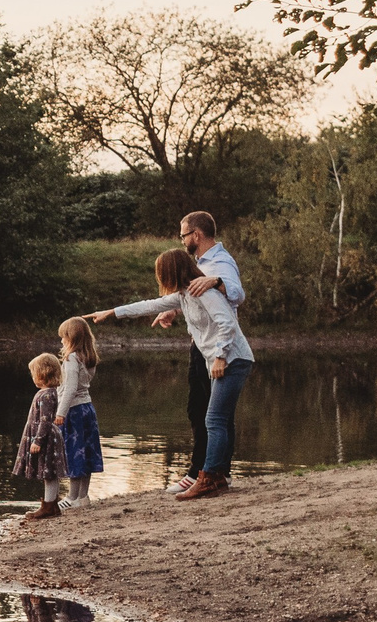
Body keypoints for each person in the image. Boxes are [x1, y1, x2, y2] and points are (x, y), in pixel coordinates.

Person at [89, 248, 254, 500]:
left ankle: (209, 478)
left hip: (233, 359)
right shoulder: (184, 295)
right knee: (218, 418)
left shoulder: (204, 292)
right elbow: (149, 305)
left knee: (214, 420)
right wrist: (112, 312)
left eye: (161, 274)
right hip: (223, 359)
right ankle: (218, 476)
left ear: (171, 271)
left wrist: (220, 357)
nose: (160, 279)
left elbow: (228, 324)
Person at [154, 211, 245, 494]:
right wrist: (172, 310)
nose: (181, 241)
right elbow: (195, 298)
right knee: (210, 411)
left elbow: (237, 293)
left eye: (183, 235)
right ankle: (218, 471)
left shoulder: (219, 262)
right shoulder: (201, 262)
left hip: (216, 347)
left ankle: (200, 472)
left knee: (204, 410)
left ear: (196, 235)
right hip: (204, 344)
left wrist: (217, 281)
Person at [54, 317, 103, 507]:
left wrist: (60, 413)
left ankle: (72, 498)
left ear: (71, 338)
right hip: (87, 409)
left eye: (63, 337)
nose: (61, 341)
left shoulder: (72, 358)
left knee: (74, 453)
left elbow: (71, 389)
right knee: (86, 452)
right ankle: (83, 497)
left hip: (73, 411)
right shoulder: (89, 358)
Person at [13, 353, 69, 520]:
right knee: (47, 471)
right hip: (44, 436)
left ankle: (49, 506)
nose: (33, 377)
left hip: (46, 438)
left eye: (34, 373)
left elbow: (45, 420)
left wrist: (37, 440)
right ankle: (50, 504)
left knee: (49, 472)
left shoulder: (47, 395)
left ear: (43, 374)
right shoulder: (45, 393)